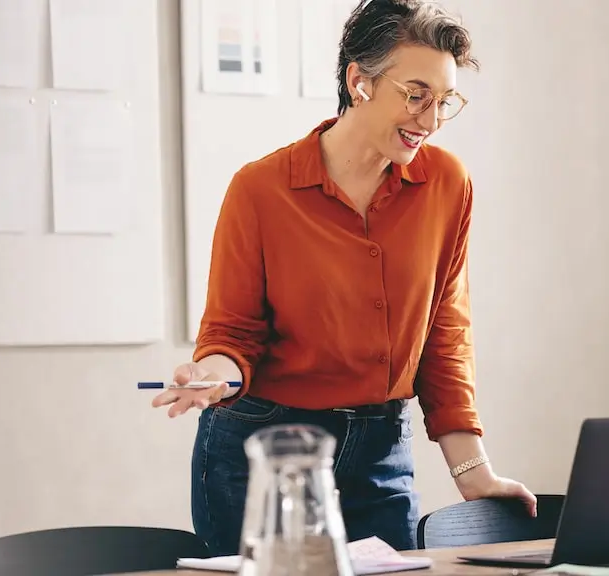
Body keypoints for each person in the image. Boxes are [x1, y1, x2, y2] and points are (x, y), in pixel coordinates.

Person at [152, 0, 536, 556]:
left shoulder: (447, 184)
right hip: (266, 450)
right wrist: (214, 374)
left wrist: (472, 472)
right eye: (416, 95)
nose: (429, 121)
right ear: (360, 81)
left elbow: (444, 336)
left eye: (445, 101)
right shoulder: (260, 190)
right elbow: (232, 334)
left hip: (382, 446)